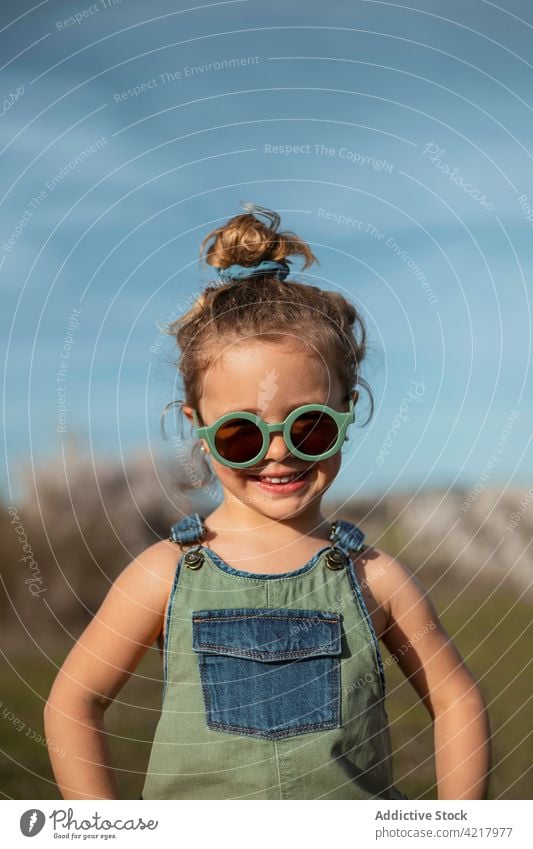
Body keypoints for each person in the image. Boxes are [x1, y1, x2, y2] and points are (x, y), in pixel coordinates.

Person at [44, 203, 491, 801]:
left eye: (309, 427)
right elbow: (75, 699)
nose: (277, 454)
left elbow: (456, 699)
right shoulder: (165, 575)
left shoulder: (375, 579)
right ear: (196, 427)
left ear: (347, 411)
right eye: (241, 435)